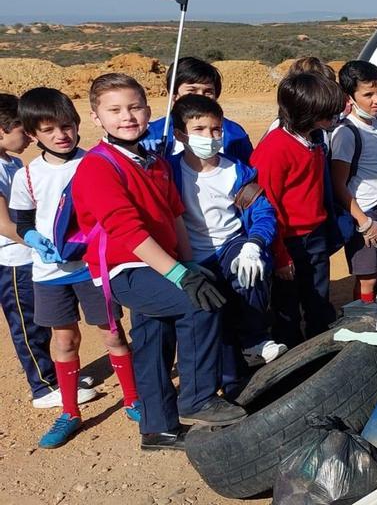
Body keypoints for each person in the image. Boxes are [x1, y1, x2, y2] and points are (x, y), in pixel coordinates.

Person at [74, 73, 244, 451]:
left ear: (149, 111)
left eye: (134, 107)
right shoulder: (98, 166)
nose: (127, 116)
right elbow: (127, 232)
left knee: (153, 340)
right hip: (128, 268)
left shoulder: (154, 161)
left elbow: (175, 216)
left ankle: (157, 428)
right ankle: (197, 396)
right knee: (199, 304)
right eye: (114, 110)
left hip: (161, 262)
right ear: (96, 117)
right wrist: (182, 276)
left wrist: (189, 265)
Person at [10, 87, 140, 449]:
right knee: (65, 339)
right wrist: (33, 238)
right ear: (33, 134)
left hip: (93, 267)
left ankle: (133, 399)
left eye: (67, 126)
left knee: (113, 333)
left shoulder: (95, 163)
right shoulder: (28, 176)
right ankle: (69, 411)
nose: (61, 135)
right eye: (49, 130)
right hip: (49, 274)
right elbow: (22, 221)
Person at [167, 94, 286, 393]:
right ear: (181, 135)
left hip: (231, 245)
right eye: (200, 130)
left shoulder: (237, 172)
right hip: (192, 255)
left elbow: (262, 212)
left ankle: (254, 339)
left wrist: (255, 243)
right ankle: (230, 384)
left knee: (252, 272)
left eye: (216, 129)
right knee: (213, 315)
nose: (210, 136)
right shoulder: (168, 172)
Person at [0, 93, 88, 412]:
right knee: (28, 326)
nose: (27, 138)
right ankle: (43, 385)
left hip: (42, 258)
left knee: (53, 325)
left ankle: (63, 376)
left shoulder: (12, 162)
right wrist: (42, 242)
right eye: (23, 131)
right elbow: (7, 223)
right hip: (14, 258)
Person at [251, 72, 345, 346]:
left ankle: (321, 349)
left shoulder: (313, 139)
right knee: (286, 308)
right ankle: (291, 358)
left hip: (314, 235)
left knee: (318, 298)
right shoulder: (275, 148)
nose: (332, 119)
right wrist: (279, 256)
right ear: (306, 112)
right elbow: (267, 205)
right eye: (327, 114)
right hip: (287, 240)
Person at [330, 61, 377, 304]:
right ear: (350, 97)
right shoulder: (346, 133)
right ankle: (363, 322)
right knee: (367, 278)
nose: (376, 100)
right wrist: (364, 223)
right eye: (368, 95)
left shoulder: (375, 123)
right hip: (363, 214)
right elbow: (338, 183)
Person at [140, 57, 253, 164]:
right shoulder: (152, 134)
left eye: (208, 92)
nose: (200, 97)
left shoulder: (235, 134)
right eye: (191, 91)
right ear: (174, 95)